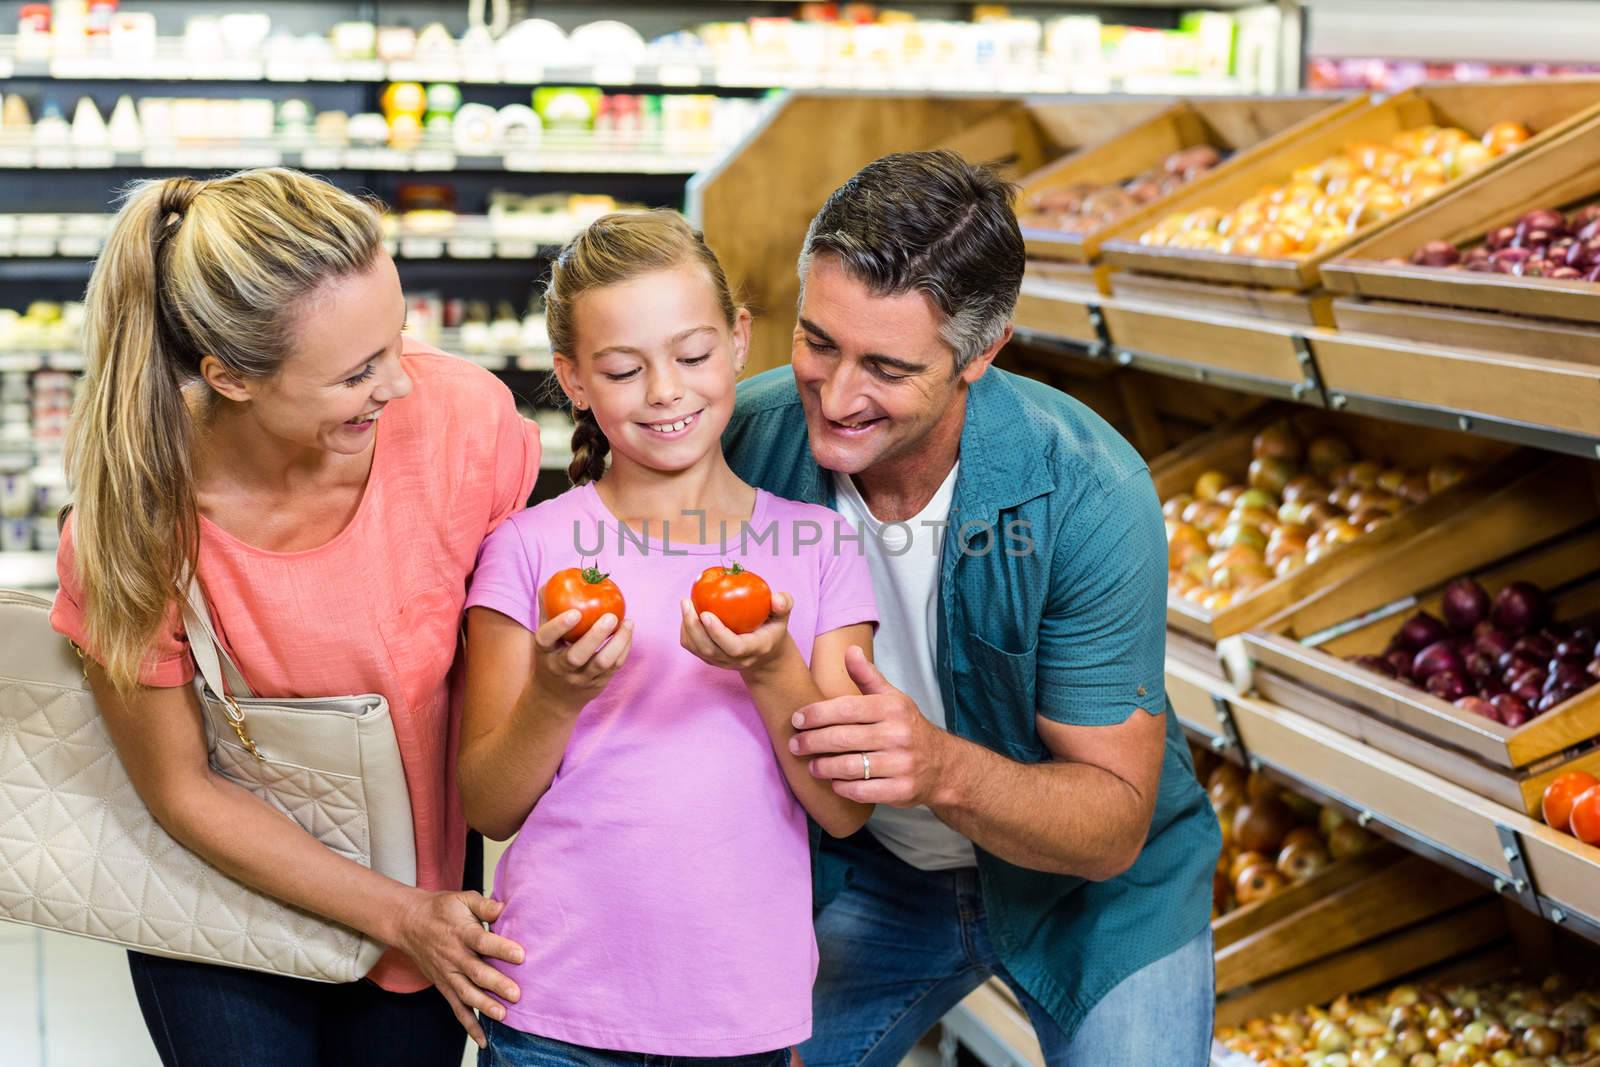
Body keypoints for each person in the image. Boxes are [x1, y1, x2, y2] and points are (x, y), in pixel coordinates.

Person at [721, 150, 1222, 1067]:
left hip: (1092, 895)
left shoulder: (1088, 490)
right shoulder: (742, 443)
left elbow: (1112, 823)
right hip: (867, 870)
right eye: (818, 341)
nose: (835, 397)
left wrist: (938, 767)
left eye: (886, 366)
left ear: (981, 353)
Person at [50, 168, 536, 1066]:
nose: (399, 383)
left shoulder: (468, 424)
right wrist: (403, 914)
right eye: (356, 372)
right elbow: (179, 787)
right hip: (217, 904)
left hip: (421, 881)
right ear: (229, 376)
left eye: (396, 338)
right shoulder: (137, 520)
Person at [457, 210, 880, 1067]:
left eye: (691, 356)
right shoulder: (530, 548)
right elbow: (487, 802)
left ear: (737, 342)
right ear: (574, 380)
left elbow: (845, 804)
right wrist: (554, 693)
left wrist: (771, 667)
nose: (664, 391)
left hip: (741, 1016)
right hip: (554, 1010)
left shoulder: (820, 546)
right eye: (622, 369)